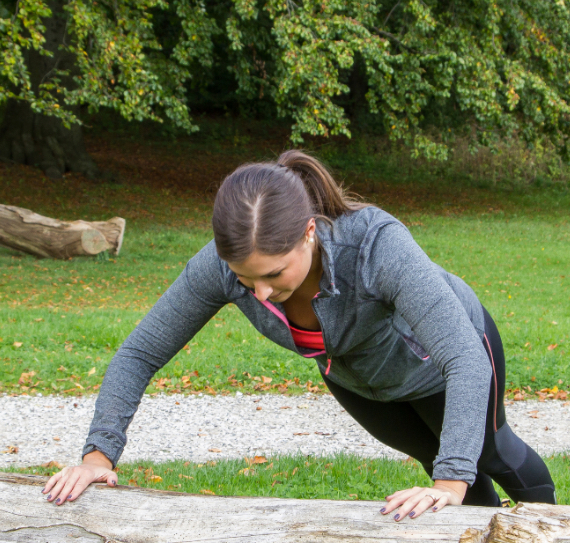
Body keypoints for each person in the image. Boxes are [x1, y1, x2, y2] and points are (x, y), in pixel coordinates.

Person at [43, 150, 556, 520]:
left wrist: (452, 479)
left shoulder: (376, 245)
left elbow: (465, 359)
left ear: (309, 233)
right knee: (436, 464)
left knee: (483, 456)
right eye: (246, 280)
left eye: (273, 274)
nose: (260, 294)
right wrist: (98, 455)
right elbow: (140, 352)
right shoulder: (220, 267)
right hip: (358, 377)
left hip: (449, 354)